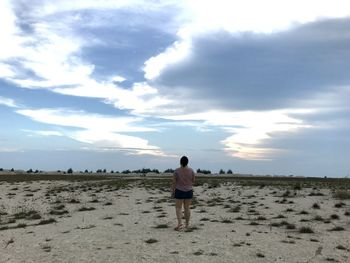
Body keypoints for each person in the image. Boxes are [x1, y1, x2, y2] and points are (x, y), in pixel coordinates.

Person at [172, 156, 195, 230]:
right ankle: (187, 225)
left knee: (178, 207)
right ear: (187, 162)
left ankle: (180, 223)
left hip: (179, 191)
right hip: (189, 191)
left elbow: (174, 183)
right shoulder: (191, 171)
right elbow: (193, 181)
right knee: (187, 208)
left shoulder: (176, 171)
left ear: (180, 162)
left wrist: (173, 192)